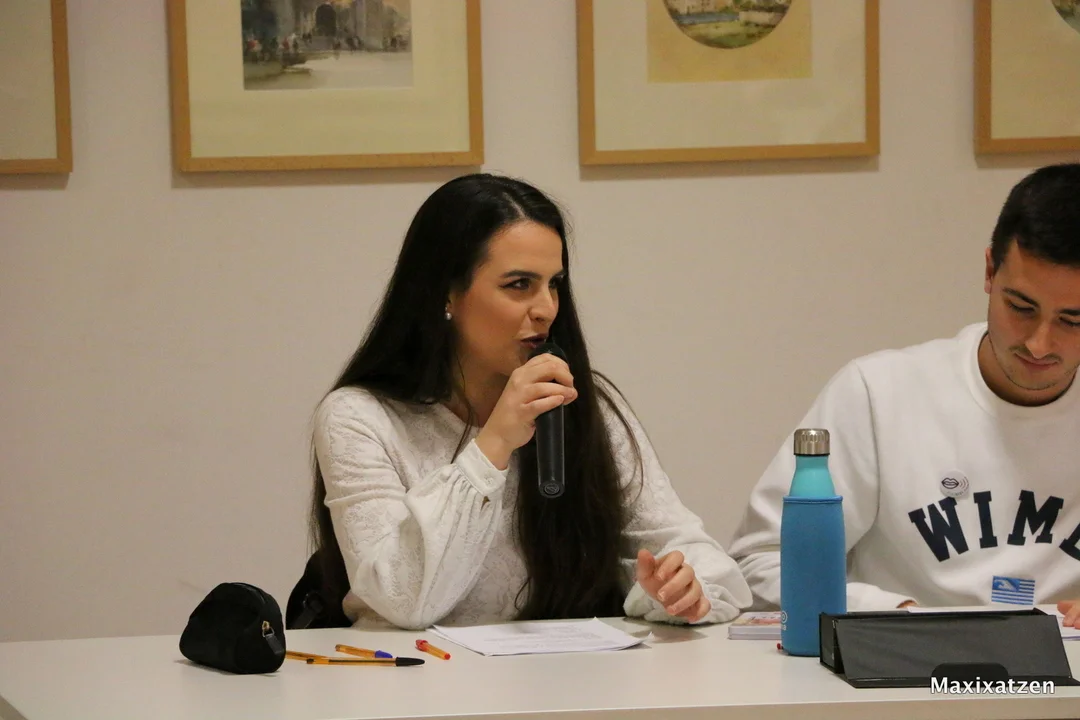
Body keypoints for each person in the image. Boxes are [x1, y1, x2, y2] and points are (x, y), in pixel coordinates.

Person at [309, 173, 751, 630]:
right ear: (446, 293)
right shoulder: (358, 417)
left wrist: (676, 589)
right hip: (413, 672)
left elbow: (686, 550)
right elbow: (401, 599)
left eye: (554, 283)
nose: (546, 309)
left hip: (560, 672)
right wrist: (494, 443)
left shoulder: (584, 404)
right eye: (519, 284)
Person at [729, 163, 1080, 626]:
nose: (1039, 343)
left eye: (1072, 320)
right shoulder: (878, 394)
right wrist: (896, 616)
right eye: (1021, 307)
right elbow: (761, 563)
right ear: (989, 271)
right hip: (905, 659)